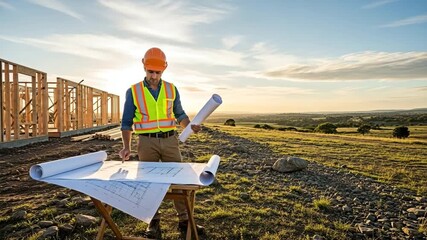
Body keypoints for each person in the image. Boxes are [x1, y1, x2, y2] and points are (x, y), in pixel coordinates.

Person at [119, 47, 204, 239]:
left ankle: (184, 221)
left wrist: (189, 126)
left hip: (170, 140)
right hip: (146, 143)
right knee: (148, 182)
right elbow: (126, 123)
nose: (154, 76)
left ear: (164, 69)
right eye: (151, 72)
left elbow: (179, 114)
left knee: (180, 181)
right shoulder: (133, 91)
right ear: (144, 65)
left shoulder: (171, 89)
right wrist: (126, 147)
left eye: (158, 72)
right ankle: (153, 222)